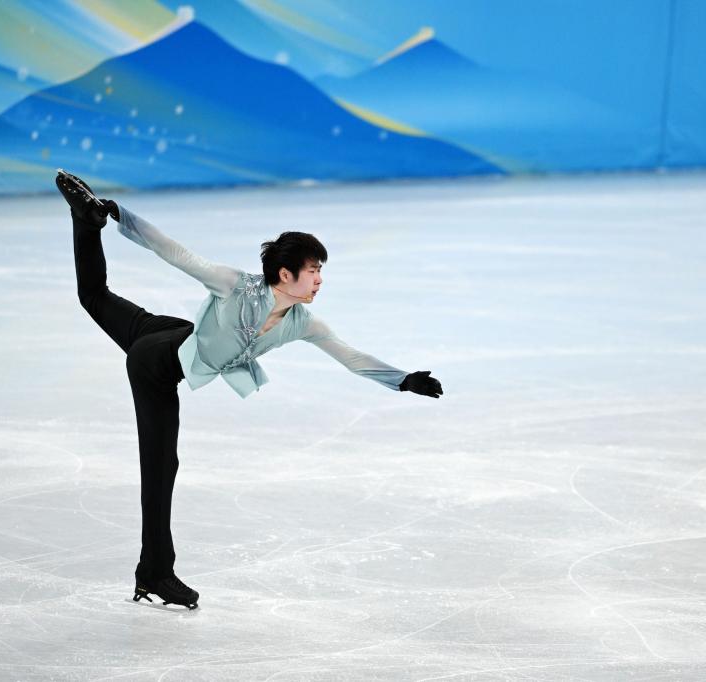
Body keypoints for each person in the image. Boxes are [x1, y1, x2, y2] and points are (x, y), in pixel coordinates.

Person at [56, 170, 443, 610]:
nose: (319, 280)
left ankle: (84, 221)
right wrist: (122, 215)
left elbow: (348, 355)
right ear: (285, 273)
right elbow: (175, 254)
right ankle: (156, 573)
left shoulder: (302, 323)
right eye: (314, 271)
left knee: (93, 295)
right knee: (161, 468)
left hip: (172, 333)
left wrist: (402, 380)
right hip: (155, 366)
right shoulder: (235, 286)